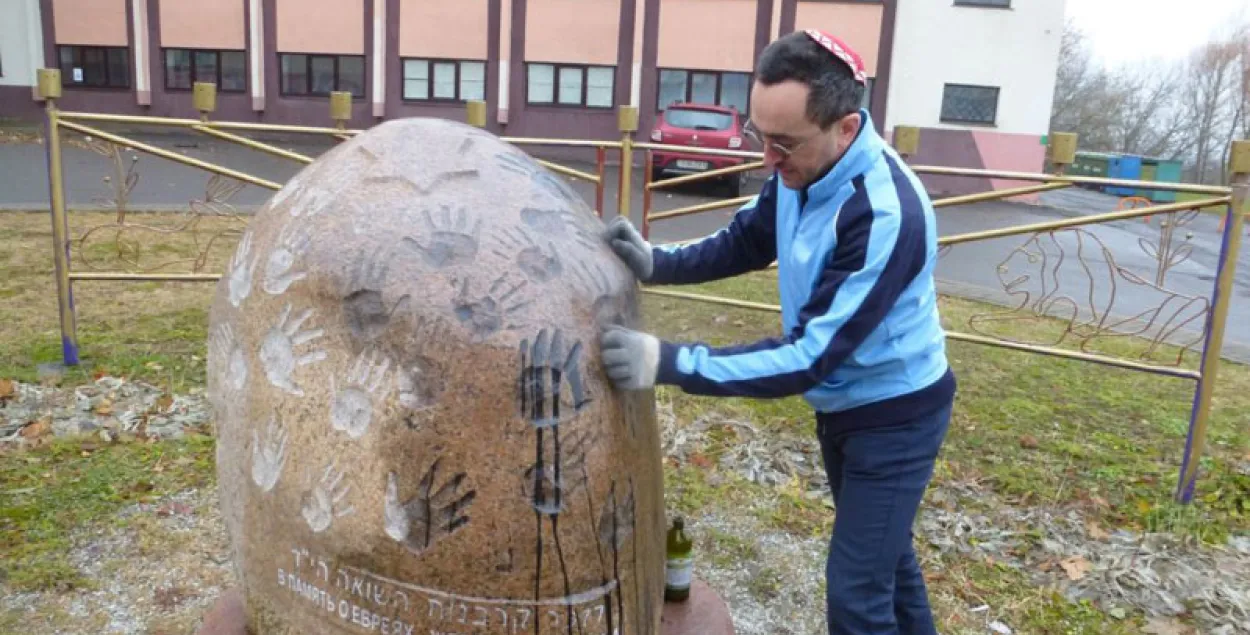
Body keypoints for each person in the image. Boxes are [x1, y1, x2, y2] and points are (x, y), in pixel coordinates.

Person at [598, 29, 956, 635]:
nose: (767, 160)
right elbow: (746, 238)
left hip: (895, 415)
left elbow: (809, 356)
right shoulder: (802, 170)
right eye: (761, 137)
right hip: (845, 407)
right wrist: (656, 261)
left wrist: (669, 361)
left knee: (856, 595)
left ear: (845, 127)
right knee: (888, 568)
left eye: (784, 144)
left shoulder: (885, 212)